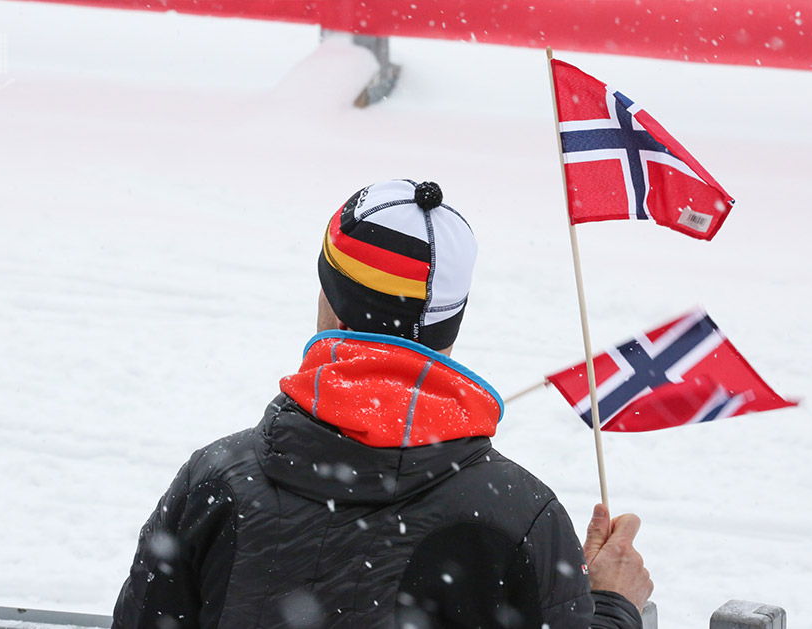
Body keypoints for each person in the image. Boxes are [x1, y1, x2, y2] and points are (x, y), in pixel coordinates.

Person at [112, 179, 652, 628]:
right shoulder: (521, 515)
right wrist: (611, 606)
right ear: (449, 326)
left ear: (329, 300)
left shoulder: (216, 481)